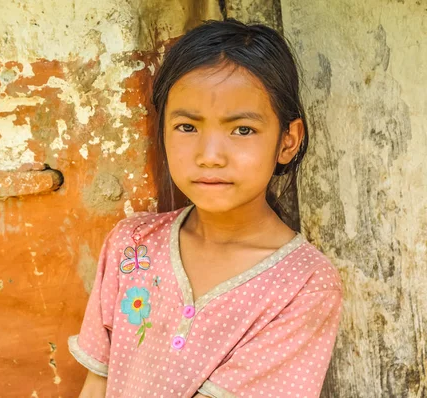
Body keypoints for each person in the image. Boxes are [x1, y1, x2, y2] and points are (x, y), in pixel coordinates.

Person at [68, 18, 343, 398]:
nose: (210, 157)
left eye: (242, 130)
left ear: (287, 141)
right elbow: (98, 382)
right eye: (187, 127)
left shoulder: (303, 283)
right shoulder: (132, 245)